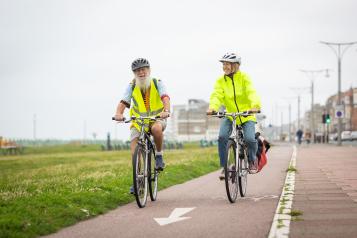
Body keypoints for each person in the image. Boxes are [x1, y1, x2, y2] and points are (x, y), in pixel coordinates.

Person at [114, 58, 170, 193]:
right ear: (134, 73)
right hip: (138, 121)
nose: (141, 73)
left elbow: (165, 97)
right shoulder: (132, 85)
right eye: (138, 71)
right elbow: (124, 101)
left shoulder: (157, 83)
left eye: (143, 69)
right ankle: (138, 181)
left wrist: (166, 111)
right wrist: (118, 113)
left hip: (156, 118)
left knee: (156, 129)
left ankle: (159, 155)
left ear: (149, 70)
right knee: (134, 150)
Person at [207, 53, 262, 179]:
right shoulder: (221, 81)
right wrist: (213, 108)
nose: (224, 67)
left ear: (235, 65)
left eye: (227, 64)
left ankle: (252, 159)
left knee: (249, 139)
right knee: (222, 137)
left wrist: (255, 106)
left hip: (247, 115)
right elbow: (217, 95)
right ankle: (224, 167)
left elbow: (251, 92)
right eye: (223, 64)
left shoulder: (244, 78)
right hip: (230, 115)